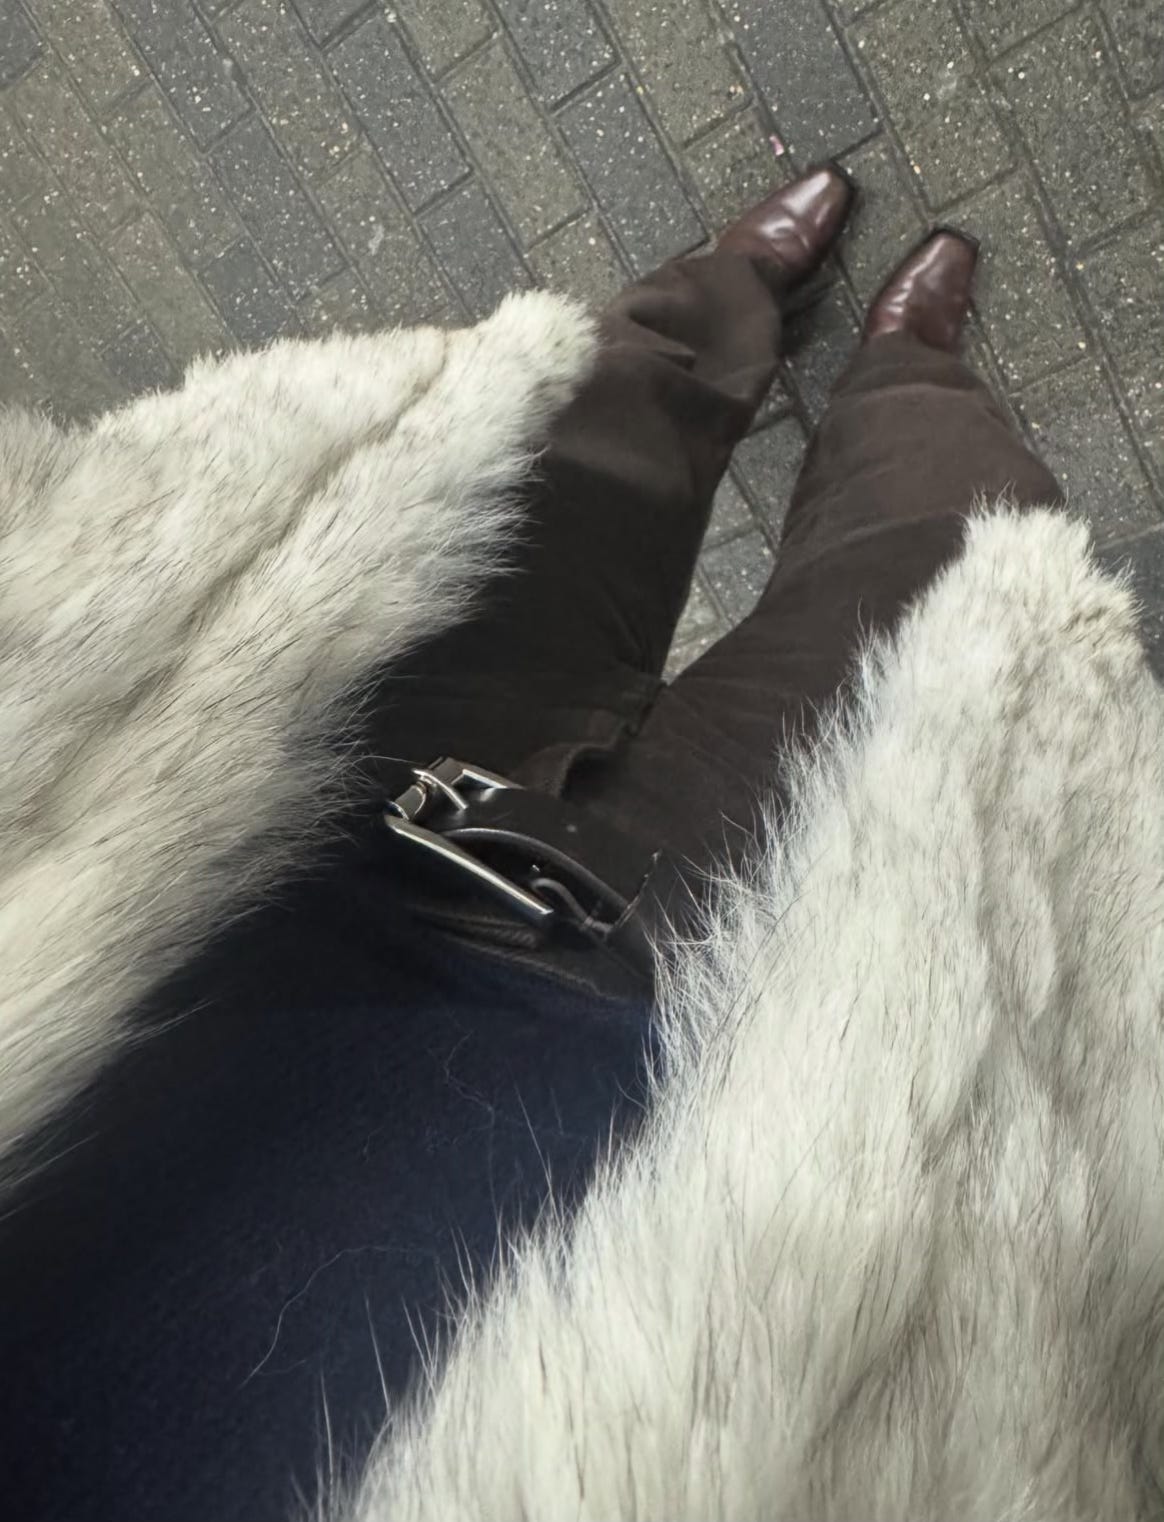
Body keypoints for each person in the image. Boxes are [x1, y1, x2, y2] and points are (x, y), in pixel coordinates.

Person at [0, 163, 1161, 1522]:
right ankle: (913, 376)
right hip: (776, 1029)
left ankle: (732, 300)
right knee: (941, 553)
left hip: (301, 788)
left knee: (582, 428)